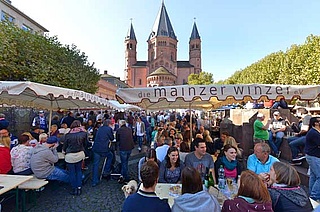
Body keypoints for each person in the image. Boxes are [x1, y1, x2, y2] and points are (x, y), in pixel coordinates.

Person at [63, 120, 87, 195]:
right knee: (79, 171)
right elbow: (86, 144)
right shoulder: (84, 134)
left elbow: (65, 146)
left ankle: (74, 188)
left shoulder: (68, 135)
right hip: (80, 153)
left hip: (70, 155)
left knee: (72, 172)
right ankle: (79, 187)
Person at [91, 119, 114, 187]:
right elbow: (112, 138)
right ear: (109, 124)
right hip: (104, 149)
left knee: (95, 164)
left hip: (96, 148)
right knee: (110, 156)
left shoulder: (100, 128)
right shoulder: (109, 129)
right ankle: (106, 171)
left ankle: (94, 181)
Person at [305, 116, 320, 202]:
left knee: (314, 176)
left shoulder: (314, 132)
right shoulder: (314, 133)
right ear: (316, 123)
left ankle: (312, 195)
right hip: (314, 157)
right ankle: (314, 196)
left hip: (312, 156)